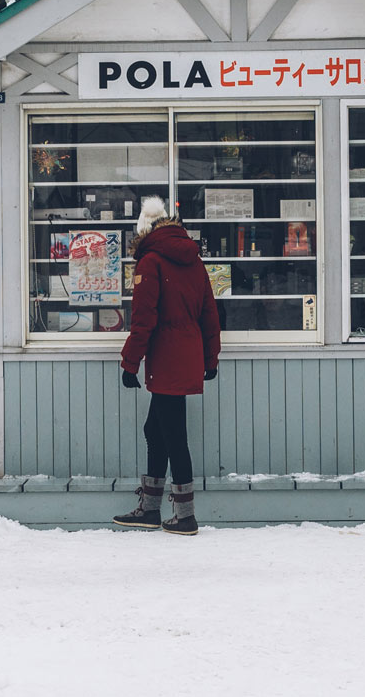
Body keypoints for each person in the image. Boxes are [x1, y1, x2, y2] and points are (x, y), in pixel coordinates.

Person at [114, 196, 220, 534]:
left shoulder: (151, 262)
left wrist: (130, 363)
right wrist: (210, 357)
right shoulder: (194, 260)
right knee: (156, 430)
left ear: (144, 232)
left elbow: (143, 319)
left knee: (173, 435)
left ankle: (185, 515)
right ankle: (150, 508)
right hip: (186, 353)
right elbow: (209, 314)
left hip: (166, 355)